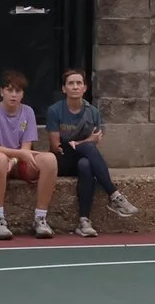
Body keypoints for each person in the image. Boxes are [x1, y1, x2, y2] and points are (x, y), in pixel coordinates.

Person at [47, 67, 137, 236]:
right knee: (88, 147)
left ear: (85, 88)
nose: (75, 87)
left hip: (82, 157)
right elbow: (54, 146)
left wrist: (79, 143)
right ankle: (114, 195)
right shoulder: (55, 110)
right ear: (63, 88)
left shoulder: (92, 112)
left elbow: (96, 139)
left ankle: (84, 221)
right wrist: (83, 143)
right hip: (62, 158)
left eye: (78, 83)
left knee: (86, 164)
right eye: (70, 83)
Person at [0, 69, 58, 238]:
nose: (13, 95)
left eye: (18, 91)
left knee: (50, 159)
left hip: (17, 161)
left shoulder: (28, 112)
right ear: (1, 91)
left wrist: (14, 160)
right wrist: (14, 156)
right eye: (9, 90)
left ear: (22, 94)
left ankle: (40, 219)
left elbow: (26, 148)